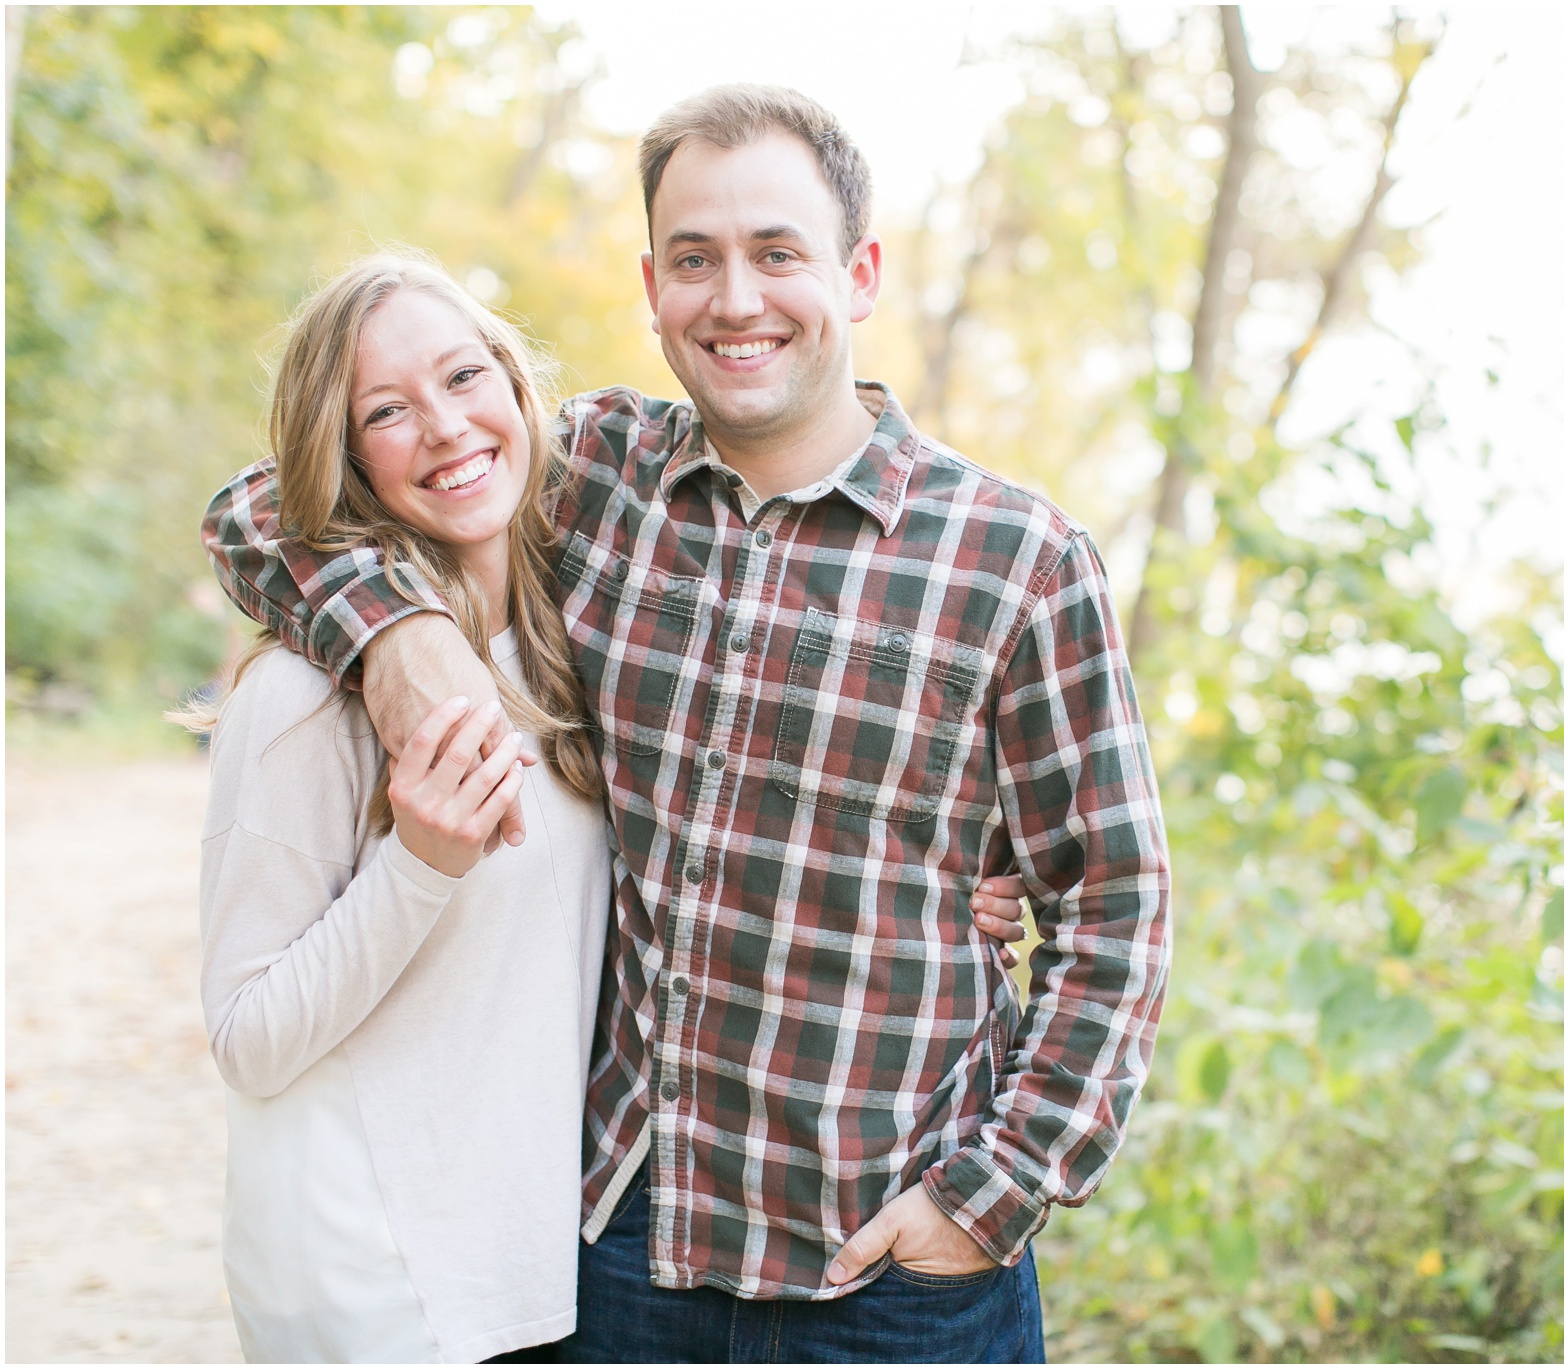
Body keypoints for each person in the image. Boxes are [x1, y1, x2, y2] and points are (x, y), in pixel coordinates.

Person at [202, 84, 1171, 1364]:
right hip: (620, 1256)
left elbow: (1115, 903)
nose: (736, 299)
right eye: (697, 261)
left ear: (859, 272)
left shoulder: (1013, 561)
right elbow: (272, 500)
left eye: (777, 253)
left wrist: (991, 1195)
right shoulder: (595, 481)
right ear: (652, 285)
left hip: (888, 1267)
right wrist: (400, 638)